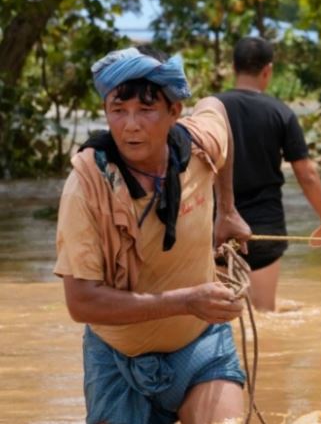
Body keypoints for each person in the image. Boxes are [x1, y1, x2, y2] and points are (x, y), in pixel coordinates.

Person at [55, 46, 252, 422]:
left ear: (174, 112)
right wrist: (187, 300)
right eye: (118, 110)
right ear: (106, 112)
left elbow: (217, 110)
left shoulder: (198, 146)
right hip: (118, 359)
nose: (130, 125)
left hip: (201, 346)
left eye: (146, 110)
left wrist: (227, 210)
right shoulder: (86, 187)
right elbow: (81, 303)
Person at [216, 37, 321, 312]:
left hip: (217, 225)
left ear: (234, 67)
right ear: (268, 70)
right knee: (265, 313)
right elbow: (307, 175)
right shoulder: (280, 112)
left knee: (220, 316)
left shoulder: (210, 108)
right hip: (263, 228)